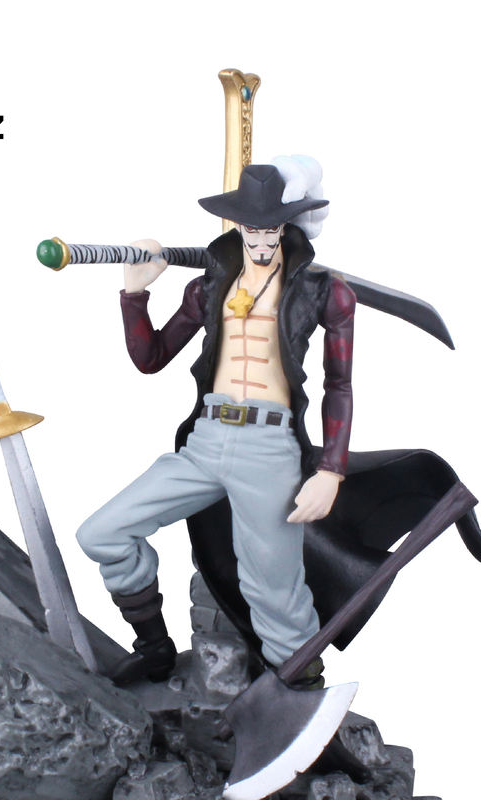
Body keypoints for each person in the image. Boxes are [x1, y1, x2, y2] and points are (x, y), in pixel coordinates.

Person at [77, 160, 353, 685]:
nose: (262, 241)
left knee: (274, 590)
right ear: (237, 227)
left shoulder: (322, 292)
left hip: (268, 448)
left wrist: (331, 470)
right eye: (253, 229)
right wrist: (134, 293)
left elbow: (338, 385)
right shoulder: (208, 289)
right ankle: (154, 649)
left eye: (272, 229)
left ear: (287, 227)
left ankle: (300, 690)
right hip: (205, 441)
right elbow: (151, 357)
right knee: (103, 532)